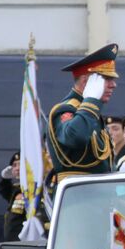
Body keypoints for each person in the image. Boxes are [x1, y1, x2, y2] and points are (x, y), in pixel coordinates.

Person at [47, 44, 118, 183]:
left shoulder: (90, 113)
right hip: (77, 197)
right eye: (106, 79)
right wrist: (91, 100)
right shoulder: (66, 110)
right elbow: (75, 136)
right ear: (86, 81)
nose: (113, 85)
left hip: (98, 193)